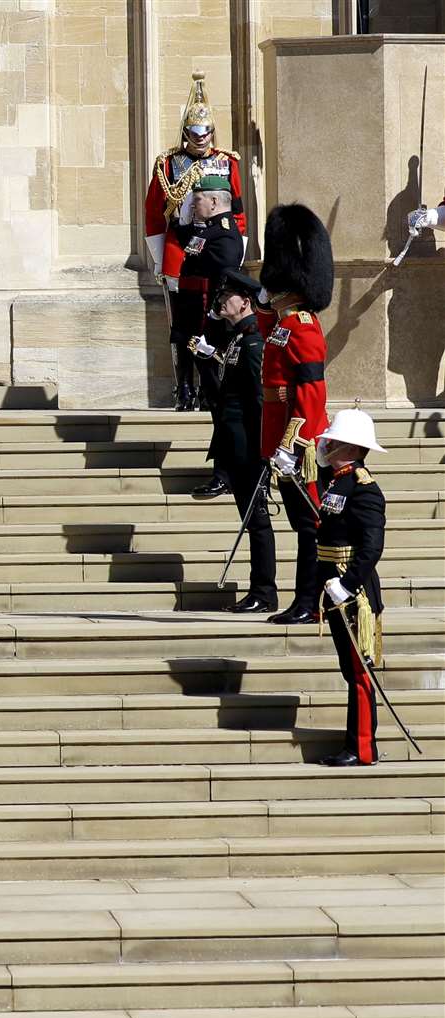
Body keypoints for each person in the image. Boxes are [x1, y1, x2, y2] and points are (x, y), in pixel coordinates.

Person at [143, 72, 247, 409]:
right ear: (186, 133)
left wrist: (237, 251)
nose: (201, 138)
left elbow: (240, 211)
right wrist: (161, 259)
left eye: (206, 132)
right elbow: (153, 214)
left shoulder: (226, 162)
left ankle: (212, 386)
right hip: (182, 248)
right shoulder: (169, 164)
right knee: (183, 325)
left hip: (218, 249)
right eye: (195, 132)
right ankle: (185, 386)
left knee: (214, 320)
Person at [258, 203, 333, 626]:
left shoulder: (304, 326)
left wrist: (293, 443)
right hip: (280, 437)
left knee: (310, 526)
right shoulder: (286, 322)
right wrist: (265, 299)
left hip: (299, 443)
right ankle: (303, 599)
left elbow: (310, 393)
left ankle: (309, 600)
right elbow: (266, 332)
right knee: (301, 525)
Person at [197, 270, 276, 614]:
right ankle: (258, 588)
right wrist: (204, 363)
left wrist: (264, 449)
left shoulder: (254, 341)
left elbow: (259, 400)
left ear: (245, 301)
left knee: (256, 521)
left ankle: (264, 590)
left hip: (249, 447)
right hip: (234, 445)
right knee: (249, 518)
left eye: (226, 296)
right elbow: (222, 398)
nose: (220, 302)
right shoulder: (235, 341)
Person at [315, 410, 388, 768]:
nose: (327, 444)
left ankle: (362, 747)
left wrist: (346, 584)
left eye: (334, 439)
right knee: (350, 669)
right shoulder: (338, 480)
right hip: (334, 586)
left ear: (351, 446)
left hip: (352, 591)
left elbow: (371, 547)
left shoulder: (364, 487)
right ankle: (354, 742)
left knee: (359, 672)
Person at [172, 174, 245, 419]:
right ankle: (188, 392)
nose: (194, 204)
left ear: (214, 201)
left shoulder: (224, 234)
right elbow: (190, 244)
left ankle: (210, 398)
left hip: (207, 310)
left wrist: (215, 313)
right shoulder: (211, 230)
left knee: (210, 366)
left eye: (198, 199)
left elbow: (224, 279)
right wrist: (176, 219)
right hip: (191, 305)